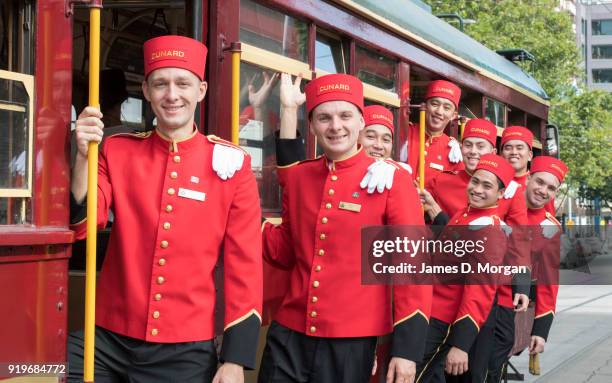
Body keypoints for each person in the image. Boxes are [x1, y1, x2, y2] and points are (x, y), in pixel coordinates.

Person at [67, 35, 262, 383]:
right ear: (146, 90)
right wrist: (83, 155)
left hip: (184, 347)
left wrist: (235, 359)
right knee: (37, 371)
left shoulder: (233, 166)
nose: (172, 95)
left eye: (183, 84)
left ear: (201, 90)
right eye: (161, 84)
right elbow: (87, 224)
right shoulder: (115, 150)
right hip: (106, 336)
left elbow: (244, 267)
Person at [260, 73, 431, 383]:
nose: (335, 126)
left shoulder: (392, 180)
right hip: (289, 334)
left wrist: (407, 351)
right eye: (324, 117)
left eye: (345, 116)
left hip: (351, 341)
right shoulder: (299, 178)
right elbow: (285, 249)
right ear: (311, 125)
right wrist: (243, 220)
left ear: (361, 122)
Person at [419, 119, 530, 382]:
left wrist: (461, 343)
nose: (477, 189)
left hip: (453, 312)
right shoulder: (465, 210)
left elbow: (480, 289)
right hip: (435, 305)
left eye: (487, 186)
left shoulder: (491, 225)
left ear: (501, 193)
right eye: (468, 144)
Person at [486, 156, 567, 382]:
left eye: (551, 188)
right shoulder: (500, 200)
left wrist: (540, 331)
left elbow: (548, 282)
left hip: (503, 304)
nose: (543, 191)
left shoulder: (549, 227)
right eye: (540, 182)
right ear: (528, 178)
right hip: (471, 295)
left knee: (491, 368)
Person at [400, 79, 463, 185]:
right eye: (434, 104)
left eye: (446, 108)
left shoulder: (452, 149)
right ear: (424, 106)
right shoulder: (405, 132)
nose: (439, 111)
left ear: (454, 115)